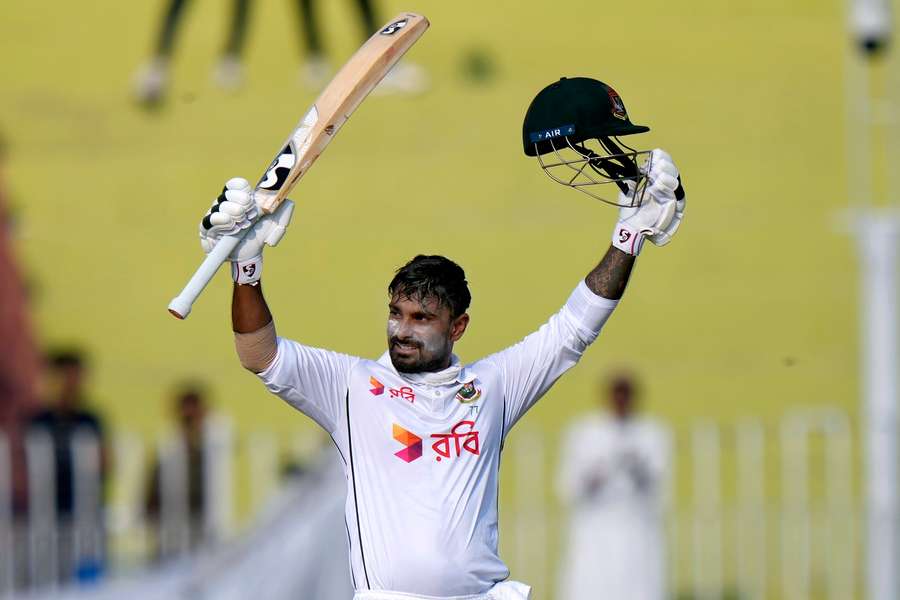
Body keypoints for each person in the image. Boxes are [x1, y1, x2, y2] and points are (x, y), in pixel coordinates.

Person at [194, 77, 686, 599]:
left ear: (458, 327)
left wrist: (627, 237)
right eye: (396, 312)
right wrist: (245, 267)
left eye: (421, 318)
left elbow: (574, 328)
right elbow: (258, 354)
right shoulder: (353, 387)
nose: (401, 330)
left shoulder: (491, 388)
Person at [556, 372, 671, 600]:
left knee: (638, 587)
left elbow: (659, 484)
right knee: (592, 586)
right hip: (594, 528)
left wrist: (635, 467)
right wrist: (596, 474)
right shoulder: (585, 432)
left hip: (636, 528)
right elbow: (568, 486)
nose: (621, 400)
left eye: (625, 394)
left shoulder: (651, 432)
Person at [27, 349, 108, 581]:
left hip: (85, 517)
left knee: (88, 583)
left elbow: (104, 463)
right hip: (45, 518)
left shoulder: (91, 421)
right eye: (66, 377)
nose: (72, 384)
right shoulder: (39, 422)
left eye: (77, 377)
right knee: (47, 580)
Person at [145, 384, 209, 557]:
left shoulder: (210, 457)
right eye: (187, 420)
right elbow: (149, 504)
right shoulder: (165, 457)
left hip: (202, 538)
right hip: (170, 539)